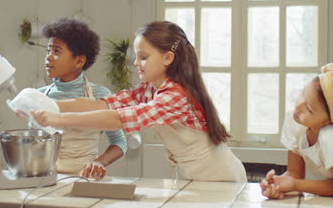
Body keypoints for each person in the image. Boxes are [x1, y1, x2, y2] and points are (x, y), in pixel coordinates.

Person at [31, 21, 247, 182]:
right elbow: (104, 104)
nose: (136, 63)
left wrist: (59, 119)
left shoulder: (175, 97)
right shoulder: (149, 89)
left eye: (143, 57)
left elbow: (118, 119)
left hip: (221, 178)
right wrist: (46, 103)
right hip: (191, 177)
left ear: (167, 58)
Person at [29, 18, 127, 180]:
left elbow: (120, 143)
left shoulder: (100, 96)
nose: (48, 57)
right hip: (44, 179)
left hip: (85, 179)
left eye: (57, 52)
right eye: (48, 51)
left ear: (79, 61)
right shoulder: (38, 96)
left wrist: (99, 163)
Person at [260, 63, 333, 199]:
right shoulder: (294, 122)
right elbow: (295, 174)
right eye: (303, 93)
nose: (299, 106)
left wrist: (296, 185)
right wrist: (277, 185)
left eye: (310, 109)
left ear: (330, 121)